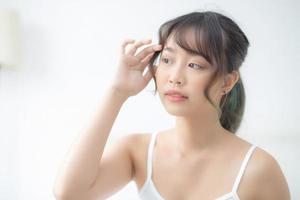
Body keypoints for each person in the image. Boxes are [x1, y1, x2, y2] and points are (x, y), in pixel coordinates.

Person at [53, 11, 290, 200]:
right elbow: (70, 194)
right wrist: (117, 92)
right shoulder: (137, 151)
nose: (174, 76)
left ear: (227, 81)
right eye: (167, 59)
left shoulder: (259, 169)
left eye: (195, 65)